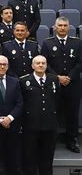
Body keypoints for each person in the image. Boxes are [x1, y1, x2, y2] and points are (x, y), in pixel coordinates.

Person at [41, 16, 82, 153]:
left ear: (69, 27)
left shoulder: (77, 43)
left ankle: (72, 140)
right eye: (60, 25)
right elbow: (44, 64)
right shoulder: (47, 43)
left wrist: (69, 77)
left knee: (72, 113)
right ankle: (51, 139)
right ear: (54, 27)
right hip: (54, 84)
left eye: (65, 25)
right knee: (53, 112)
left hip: (73, 84)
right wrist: (57, 77)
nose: (63, 28)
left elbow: (79, 63)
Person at [20, 55, 59, 175]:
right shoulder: (24, 81)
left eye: (43, 63)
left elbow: (58, 101)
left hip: (49, 125)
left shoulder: (54, 80)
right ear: (32, 65)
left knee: (47, 159)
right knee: (30, 158)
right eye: (38, 63)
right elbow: (21, 103)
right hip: (31, 126)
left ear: (47, 65)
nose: (41, 65)